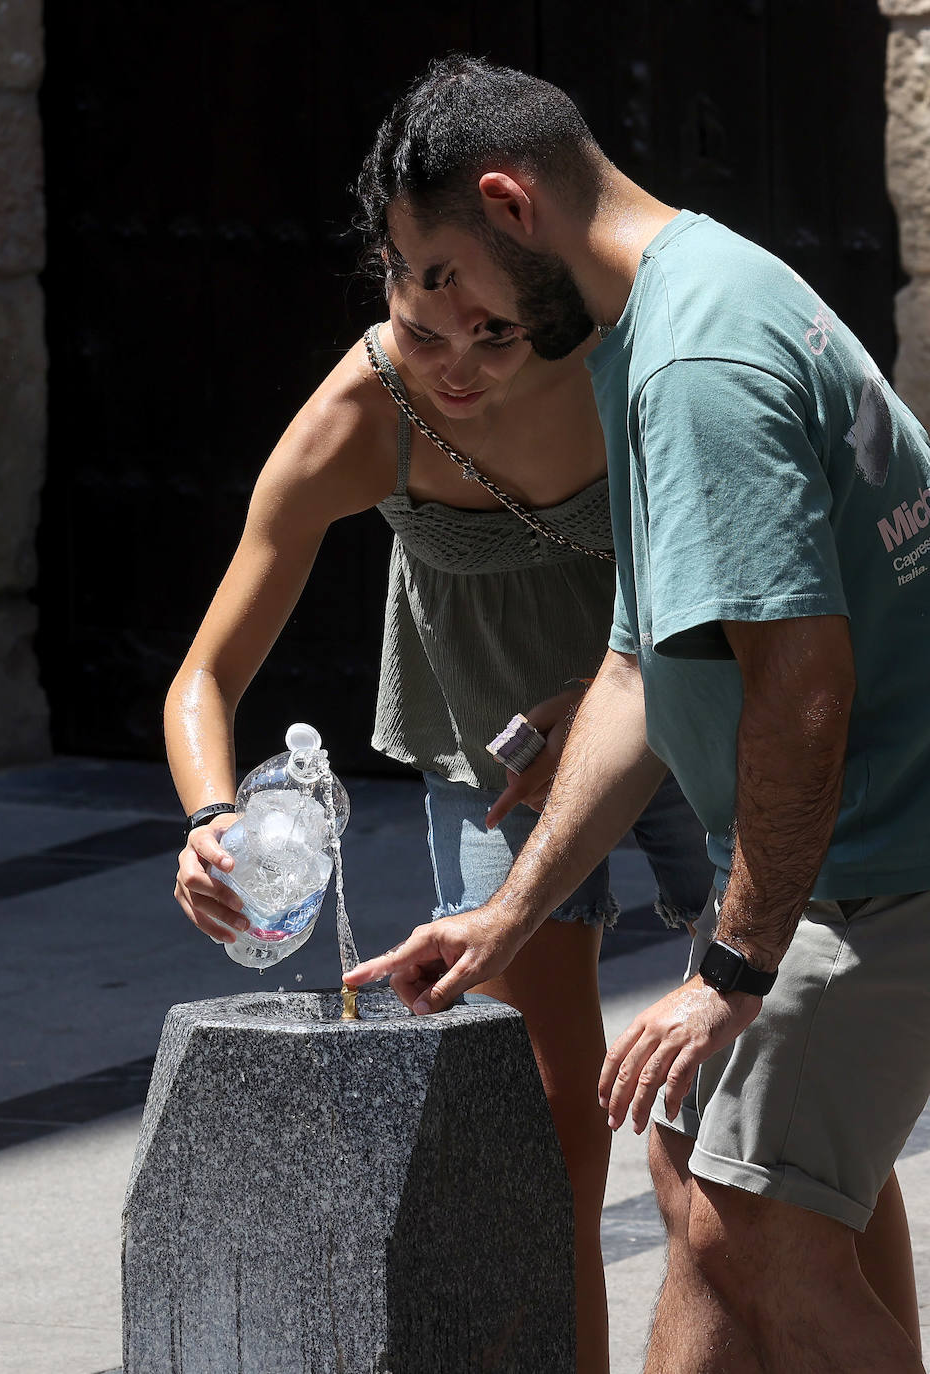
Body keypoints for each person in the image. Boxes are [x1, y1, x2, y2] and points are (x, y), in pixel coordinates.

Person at [344, 54, 930, 1373]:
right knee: (700, 1184)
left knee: (756, 1231)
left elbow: (801, 688)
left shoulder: (691, 361)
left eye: (434, 275)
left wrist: (728, 970)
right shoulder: (669, 305)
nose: (439, 323)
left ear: (505, 205)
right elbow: (632, 668)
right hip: (856, 853)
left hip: (883, 864)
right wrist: (506, 913)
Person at [165, 265, 714, 1370]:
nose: (454, 366)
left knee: (741, 1147)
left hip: (700, 726)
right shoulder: (365, 411)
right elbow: (203, 677)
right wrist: (213, 824)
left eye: (492, 334)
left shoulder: (634, 364)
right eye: (423, 331)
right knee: (543, 1141)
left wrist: (612, 706)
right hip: (494, 766)